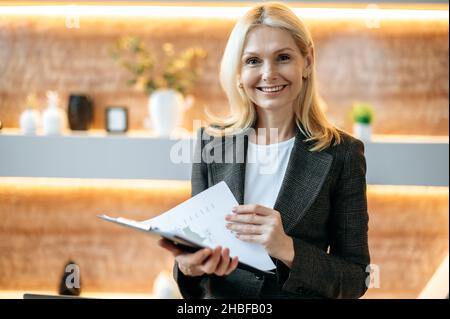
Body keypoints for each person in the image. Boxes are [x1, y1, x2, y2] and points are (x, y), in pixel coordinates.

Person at [158, 2, 370, 299]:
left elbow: (356, 278)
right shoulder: (211, 141)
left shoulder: (342, 153)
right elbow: (196, 259)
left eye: (283, 57)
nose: (268, 74)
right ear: (238, 73)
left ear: (307, 61)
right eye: (253, 61)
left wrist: (287, 249)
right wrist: (189, 267)